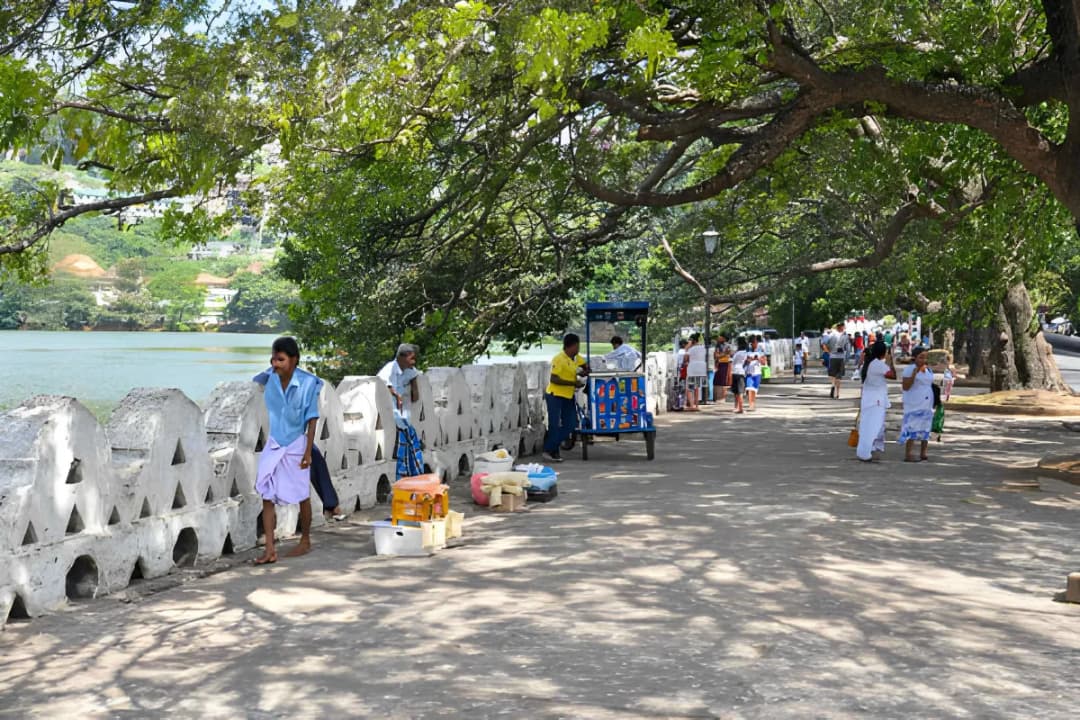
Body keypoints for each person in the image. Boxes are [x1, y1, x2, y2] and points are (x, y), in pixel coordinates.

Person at [252, 336, 322, 565]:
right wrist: (273, 368)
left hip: (296, 444)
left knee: (302, 495)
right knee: (266, 493)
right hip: (274, 443)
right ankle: (270, 550)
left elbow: (312, 419)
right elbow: (256, 380)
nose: (276, 364)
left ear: (294, 360)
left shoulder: (309, 383)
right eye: (273, 359)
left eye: (281, 359)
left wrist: (308, 452)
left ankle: (306, 539)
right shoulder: (269, 378)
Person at [378, 344, 425, 478]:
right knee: (402, 427)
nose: (413, 362)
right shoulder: (390, 368)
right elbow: (382, 384)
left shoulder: (411, 371)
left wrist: (414, 381)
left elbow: (415, 397)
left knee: (407, 428)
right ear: (402, 357)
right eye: (411, 359)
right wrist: (396, 394)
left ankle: (413, 466)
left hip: (403, 410)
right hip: (388, 409)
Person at [544, 333, 587, 462]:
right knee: (554, 424)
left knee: (571, 424)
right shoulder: (559, 359)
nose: (578, 349)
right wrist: (573, 383)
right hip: (555, 395)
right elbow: (554, 378)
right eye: (577, 346)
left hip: (568, 395)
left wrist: (584, 370)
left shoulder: (576, 358)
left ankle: (549, 447)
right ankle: (553, 451)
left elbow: (585, 365)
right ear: (572, 346)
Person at [856, 341, 896, 462]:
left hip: (869, 399)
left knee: (867, 426)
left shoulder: (868, 363)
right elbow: (893, 375)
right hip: (876, 401)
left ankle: (865, 451)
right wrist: (890, 361)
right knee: (874, 427)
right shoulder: (878, 364)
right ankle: (867, 452)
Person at [899, 346, 935, 462]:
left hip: (927, 402)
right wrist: (914, 374)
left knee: (925, 426)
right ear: (915, 358)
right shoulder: (910, 369)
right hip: (914, 403)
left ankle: (923, 452)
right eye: (921, 357)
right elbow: (906, 387)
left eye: (925, 358)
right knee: (912, 426)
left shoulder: (928, 370)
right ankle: (908, 453)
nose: (923, 360)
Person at [825, 322, 850, 399]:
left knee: (833, 374)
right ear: (842, 327)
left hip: (833, 357)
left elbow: (824, 344)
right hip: (841, 357)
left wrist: (828, 352)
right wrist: (847, 359)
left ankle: (833, 385)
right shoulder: (845, 336)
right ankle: (837, 393)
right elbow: (848, 348)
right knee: (839, 376)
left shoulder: (831, 335)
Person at [685, 333, 708, 410]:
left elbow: (686, 359)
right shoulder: (703, 348)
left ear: (692, 341)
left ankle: (692, 405)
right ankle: (697, 405)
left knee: (689, 388)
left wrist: (687, 348)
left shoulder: (691, 349)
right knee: (697, 387)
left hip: (693, 368)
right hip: (701, 368)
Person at [745, 335, 766, 411]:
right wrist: (749, 360)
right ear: (751, 343)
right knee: (749, 389)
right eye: (754, 342)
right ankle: (751, 405)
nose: (755, 344)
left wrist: (758, 359)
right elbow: (745, 361)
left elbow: (764, 362)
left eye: (756, 342)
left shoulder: (760, 352)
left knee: (754, 390)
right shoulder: (747, 352)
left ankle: (753, 404)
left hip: (757, 374)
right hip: (749, 373)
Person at [730, 337, 748, 414]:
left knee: (736, 392)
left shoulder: (737, 353)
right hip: (741, 372)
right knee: (740, 391)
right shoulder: (746, 353)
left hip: (735, 372)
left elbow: (732, 362)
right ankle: (740, 408)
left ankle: (737, 407)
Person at [713, 335, 732, 402]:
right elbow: (716, 356)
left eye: (720, 337)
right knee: (717, 381)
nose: (718, 338)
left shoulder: (728, 346)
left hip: (725, 364)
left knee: (724, 381)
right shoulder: (717, 346)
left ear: (724, 338)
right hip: (718, 364)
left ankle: (722, 398)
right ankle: (717, 397)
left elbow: (729, 354)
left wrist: (721, 355)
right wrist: (724, 354)